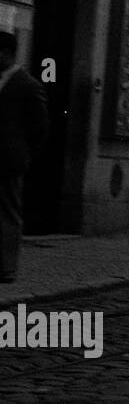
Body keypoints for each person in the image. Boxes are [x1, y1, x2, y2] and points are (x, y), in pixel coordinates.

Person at [0, 31, 48, 283]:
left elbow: (40, 127)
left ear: (6, 54)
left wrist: (22, 151)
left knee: (8, 213)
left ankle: (8, 268)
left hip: (9, 159)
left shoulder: (28, 84)